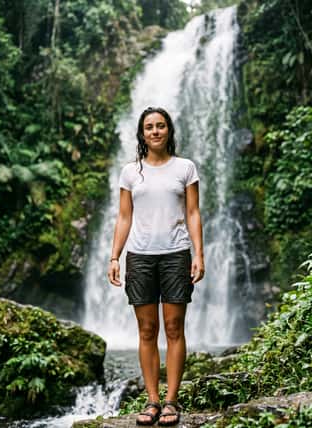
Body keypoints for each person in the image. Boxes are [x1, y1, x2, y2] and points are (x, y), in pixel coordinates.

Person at [108, 107, 205, 426]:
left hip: (176, 254)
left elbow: (193, 213)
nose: (155, 131)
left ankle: (171, 402)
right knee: (147, 330)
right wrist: (114, 256)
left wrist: (198, 254)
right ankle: (152, 401)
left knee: (175, 328)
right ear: (141, 134)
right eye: (149, 127)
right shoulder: (130, 173)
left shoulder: (185, 168)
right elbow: (124, 216)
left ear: (169, 131)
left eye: (160, 126)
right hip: (140, 256)